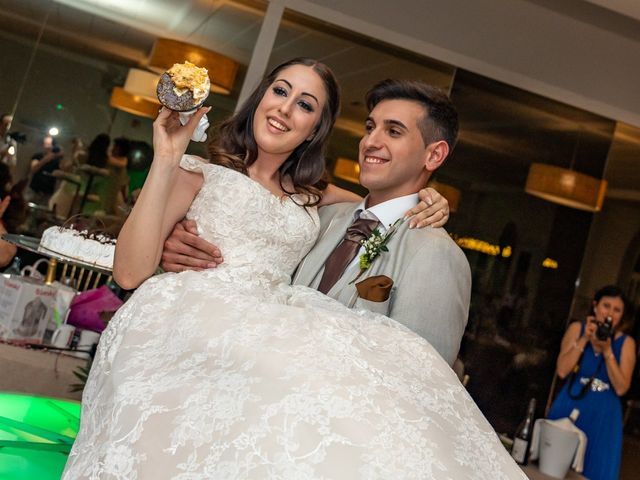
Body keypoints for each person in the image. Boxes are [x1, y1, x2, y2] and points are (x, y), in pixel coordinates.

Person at [63, 58, 523, 478]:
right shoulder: (211, 178)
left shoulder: (315, 202)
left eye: (304, 104)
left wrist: (429, 197)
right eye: (279, 91)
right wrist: (166, 177)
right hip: (197, 338)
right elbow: (129, 273)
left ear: (314, 129)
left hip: (294, 405)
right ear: (261, 97)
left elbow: (420, 383)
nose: (284, 108)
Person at [162, 79, 470, 365]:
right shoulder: (317, 217)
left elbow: (422, 380)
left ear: (434, 155)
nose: (370, 142)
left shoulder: (436, 254)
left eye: (393, 131)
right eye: (370, 127)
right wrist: (181, 240)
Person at [548, 285, 636, 480]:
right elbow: (562, 370)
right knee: (553, 466)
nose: (610, 313)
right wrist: (585, 339)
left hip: (604, 415)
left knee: (596, 470)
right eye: (606, 306)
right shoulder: (577, 329)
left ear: (622, 315)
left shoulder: (626, 343)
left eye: (617, 310)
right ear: (595, 306)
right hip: (571, 405)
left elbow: (621, 388)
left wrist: (607, 351)